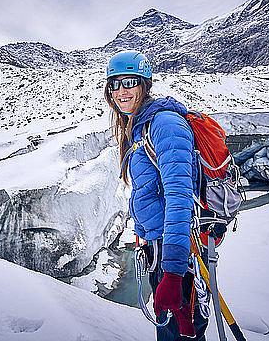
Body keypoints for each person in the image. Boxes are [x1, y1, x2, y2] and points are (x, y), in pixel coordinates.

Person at [104, 50, 208, 340]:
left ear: (144, 84)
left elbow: (179, 198)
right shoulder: (139, 127)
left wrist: (173, 273)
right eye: (115, 84)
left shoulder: (164, 125)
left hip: (178, 254)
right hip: (159, 248)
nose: (120, 91)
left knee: (182, 334)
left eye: (129, 82)